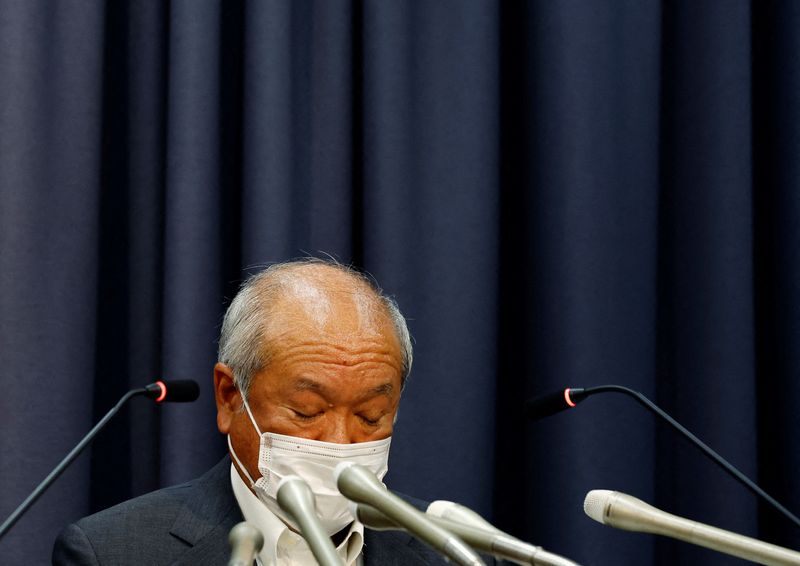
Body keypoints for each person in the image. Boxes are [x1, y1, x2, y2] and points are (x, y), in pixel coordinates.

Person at [52, 259, 460, 565]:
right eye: (307, 411)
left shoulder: (448, 550)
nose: (340, 444)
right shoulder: (113, 554)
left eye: (370, 416)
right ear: (230, 396)